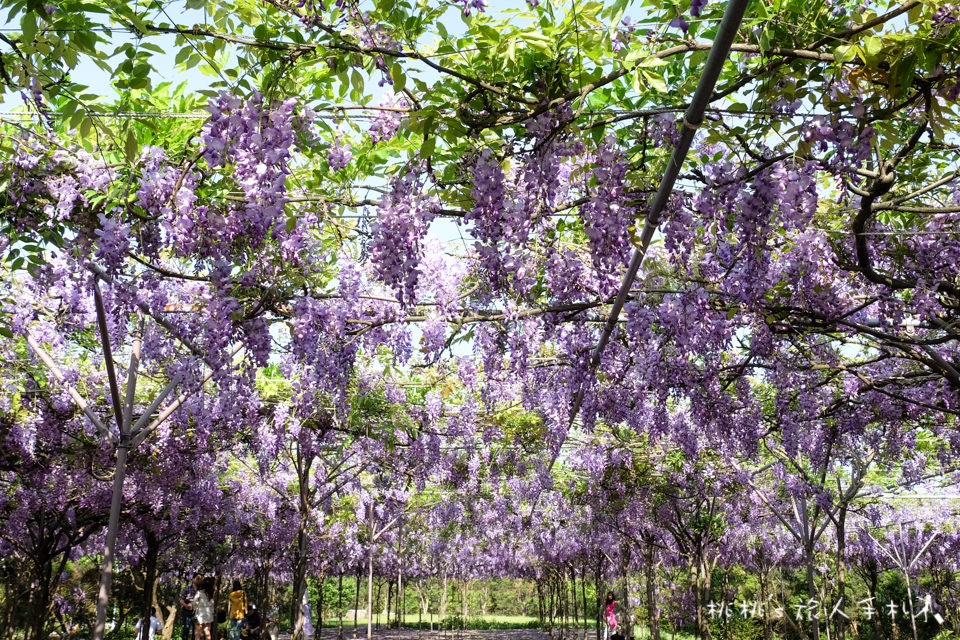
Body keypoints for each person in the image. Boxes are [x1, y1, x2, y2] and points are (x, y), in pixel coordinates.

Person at [179, 574, 201, 640]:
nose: (199, 581)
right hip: (187, 612)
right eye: (197, 579)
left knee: (196, 631)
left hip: (197, 612)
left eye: (200, 579)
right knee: (186, 629)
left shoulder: (201, 590)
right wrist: (185, 605)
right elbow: (180, 599)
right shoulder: (187, 588)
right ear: (193, 579)